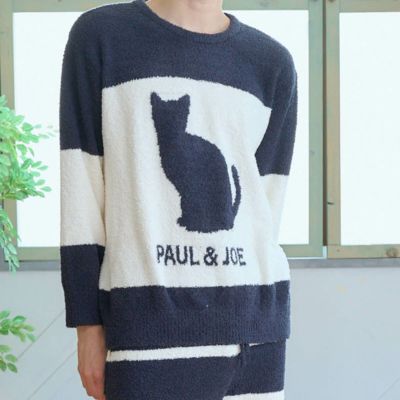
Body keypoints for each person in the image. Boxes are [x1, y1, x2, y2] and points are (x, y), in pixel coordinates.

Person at [59, 0, 298, 399]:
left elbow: (266, 207)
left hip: (253, 330)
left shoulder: (271, 62)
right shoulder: (102, 36)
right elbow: (80, 186)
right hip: (145, 322)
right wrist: (87, 325)